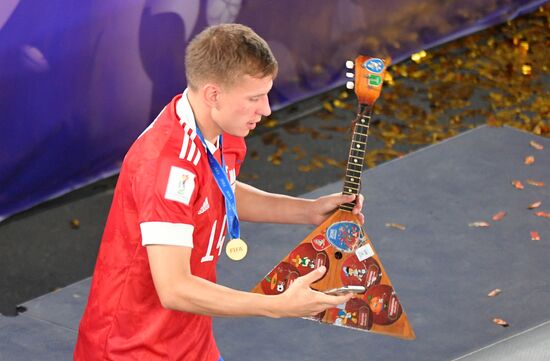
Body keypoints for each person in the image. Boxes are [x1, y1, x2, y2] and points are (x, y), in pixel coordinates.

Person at [74, 23, 364, 361]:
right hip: (133, 351)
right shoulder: (166, 166)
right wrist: (277, 306)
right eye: (254, 98)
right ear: (213, 94)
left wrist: (306, 211)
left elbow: (217, 190)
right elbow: (175, 289)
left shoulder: (220, 128)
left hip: (191, 342)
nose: (267, 109)